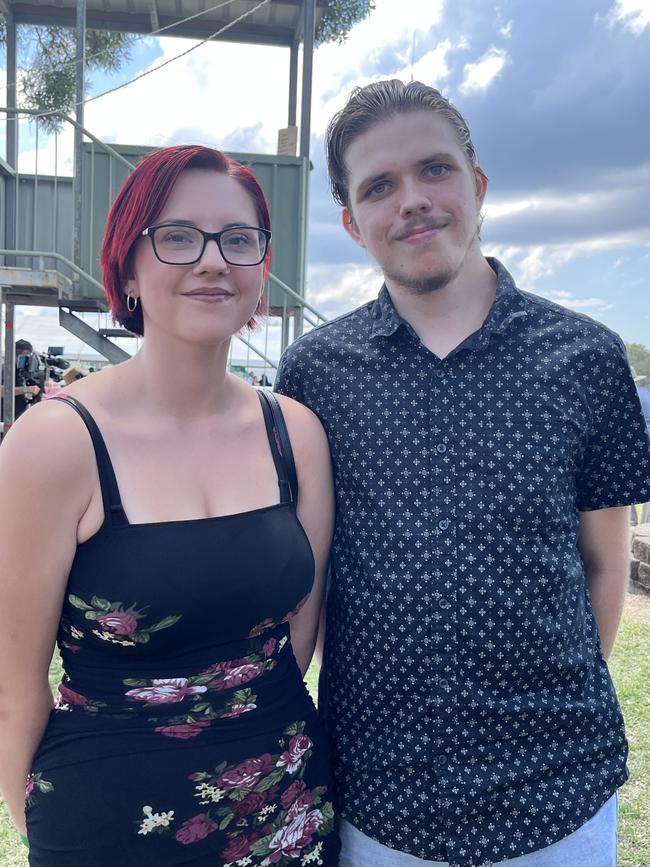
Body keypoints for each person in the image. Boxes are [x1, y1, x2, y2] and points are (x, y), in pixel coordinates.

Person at [275, 79, 650, 867]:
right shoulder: (313, 374)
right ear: (351, 221)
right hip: (380, 801)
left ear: (476, 187)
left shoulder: (587, 358)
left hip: (556, 797)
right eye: (379, 185)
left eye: (433, 170)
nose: (411, 199)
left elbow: (606, 562)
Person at [0, 145, 339, 866]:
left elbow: (298, 637)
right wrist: (40, 827)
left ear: (262, 265)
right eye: (178, 235)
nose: (213, 261)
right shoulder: (54, 445)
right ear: (128, 264)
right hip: (105, 823)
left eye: (238, 239)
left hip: (285, 808)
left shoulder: (296, 435)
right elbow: (14, 684)